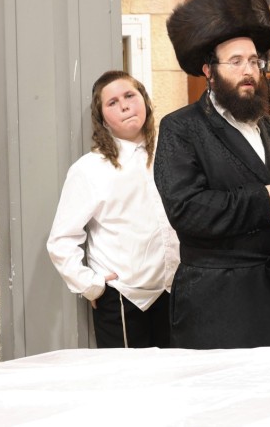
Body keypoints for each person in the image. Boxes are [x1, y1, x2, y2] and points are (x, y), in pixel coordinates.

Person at [156, 0, 270, 349]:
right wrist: (262, 202)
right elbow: (186, 209)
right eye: (236, 61)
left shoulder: (269, 127)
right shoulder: (181, 128)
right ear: (209, 71)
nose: (249, 71)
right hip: (220, 301)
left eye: (255, 61)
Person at [47, 70, 179, 349]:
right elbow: (61, 240)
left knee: (176, 374)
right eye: (113, 102)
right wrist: (90, 284)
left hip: (173, 292)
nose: (125, 106)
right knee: (128, 377)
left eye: (130, 96)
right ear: (102, 118)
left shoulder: (171, 154)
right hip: (124, 298)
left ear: (144, 100)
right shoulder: (89, 169)